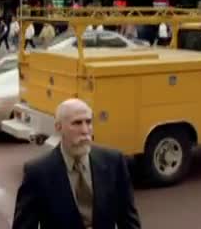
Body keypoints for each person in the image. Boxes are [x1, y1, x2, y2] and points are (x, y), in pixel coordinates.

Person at [12, 98, 141, 229]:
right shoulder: (38, 173)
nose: (85, 130)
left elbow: (129, 221)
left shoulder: (114, 162)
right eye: (77, 123)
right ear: (58, 127)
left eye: (88, 122)